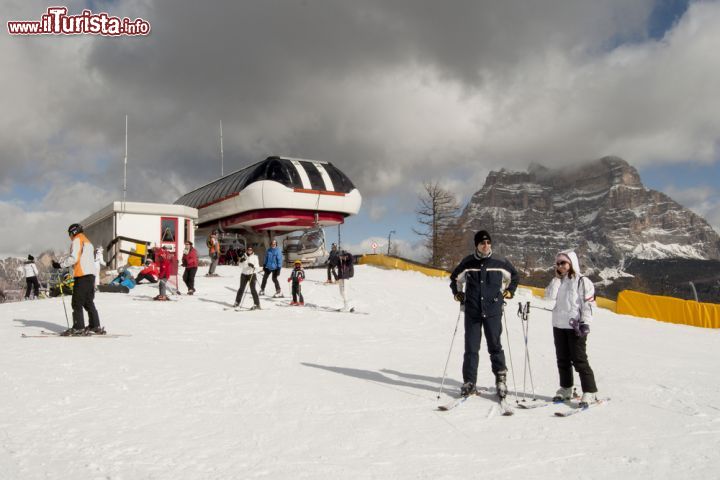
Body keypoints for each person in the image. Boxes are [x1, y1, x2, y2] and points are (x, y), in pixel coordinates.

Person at [449, 230, 519, 399]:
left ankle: (500, 379)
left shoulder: (500, 262)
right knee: (471, 347)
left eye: (488, 243)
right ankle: (469, 381)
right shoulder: (468, 262)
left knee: (495, 346)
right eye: (482, 243)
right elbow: (455, 279)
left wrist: (509, 291)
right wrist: (458, 293)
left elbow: (514, 276)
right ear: (477, 245)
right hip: (472, 311)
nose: (486, 246)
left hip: (493, 310)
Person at [544, 250, 599, 408]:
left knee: (579, 360)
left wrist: (586, 323)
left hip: (575, 326)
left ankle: (590, 390)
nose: (560, 266)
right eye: (558, 263)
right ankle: (566, 388)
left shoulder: (582, 281)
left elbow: (588, 304)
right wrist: (556, 278)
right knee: (562, 359)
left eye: (563, 263)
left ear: (572, 264)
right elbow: (548, 296)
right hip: (559, 325)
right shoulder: (558, 281)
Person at [61, 223, 104, 335]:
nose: (70, 236)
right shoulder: (88, 242)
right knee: (88, 302)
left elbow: (74, 258)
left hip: (82, 276)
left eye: (70, 234)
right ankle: (95, 325)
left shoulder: (77, 240)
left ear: (73, 232)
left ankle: (78, 327)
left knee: (77, 302)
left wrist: (61, 264)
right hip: (91, 276)